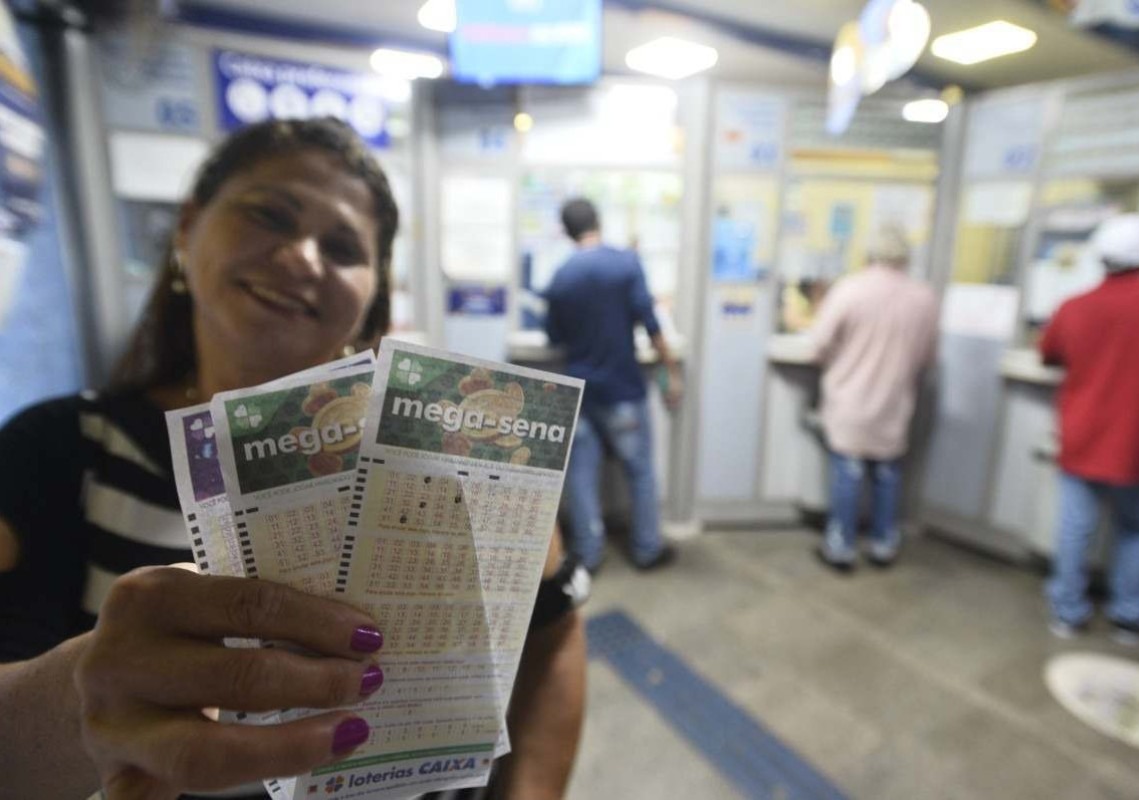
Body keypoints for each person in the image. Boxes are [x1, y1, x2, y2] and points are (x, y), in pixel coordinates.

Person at [0, 118, 585, 800]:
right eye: (270, 215)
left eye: (343, 247)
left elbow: (552, 637)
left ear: (371, 299)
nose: (304, 256)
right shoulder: (58, 448)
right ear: (187, 229)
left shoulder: (445, 455)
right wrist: (79, 698)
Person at [1040, 213, 1139, 644]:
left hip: (1082, 435)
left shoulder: (1074, 306)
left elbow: (1049, 354)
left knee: (1076, 527)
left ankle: (1067, 612)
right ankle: (1129, 616)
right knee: (1138, 527)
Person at [544, 198, 682, 573]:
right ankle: (647, 548)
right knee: (639, 470)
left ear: (568, 231)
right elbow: (651, 323)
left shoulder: (562, 276)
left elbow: (554, 334)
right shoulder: (626, 263)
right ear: (598, 221)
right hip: (622, 388)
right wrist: (671, 370)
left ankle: (588, 554)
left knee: (581, 474)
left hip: (580, 391)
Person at [809, 225, 937, 571]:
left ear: (870, 255)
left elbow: (818, 345)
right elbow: (927, 357)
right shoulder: (923, 298)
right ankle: (883, 543)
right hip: (895, 403)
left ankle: (842, 547)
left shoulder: (850, 290)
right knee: (887, 474)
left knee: (848, 474)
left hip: (851, 401)